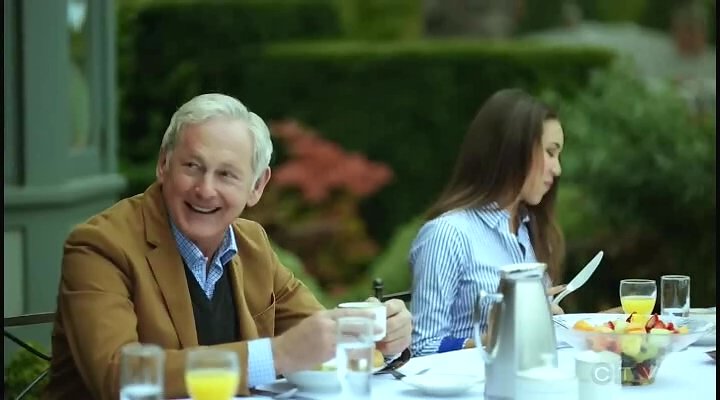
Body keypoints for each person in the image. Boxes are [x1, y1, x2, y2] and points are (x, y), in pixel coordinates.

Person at [45, 93, 412, 399]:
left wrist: (377, 334)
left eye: (226, 174)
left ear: (257, 186)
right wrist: (277, 355)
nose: (205, 189)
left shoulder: (252, 243)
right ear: (163, 164)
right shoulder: (100, 246)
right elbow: (118, 376)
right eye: (192, 166)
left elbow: (315, 338)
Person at [409, 88, 566, 357]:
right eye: (550, 152)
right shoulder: (448, 234)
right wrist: (496, 337)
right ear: (513, 150)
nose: (557, 168)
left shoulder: (529, 230)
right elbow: (421, 348)